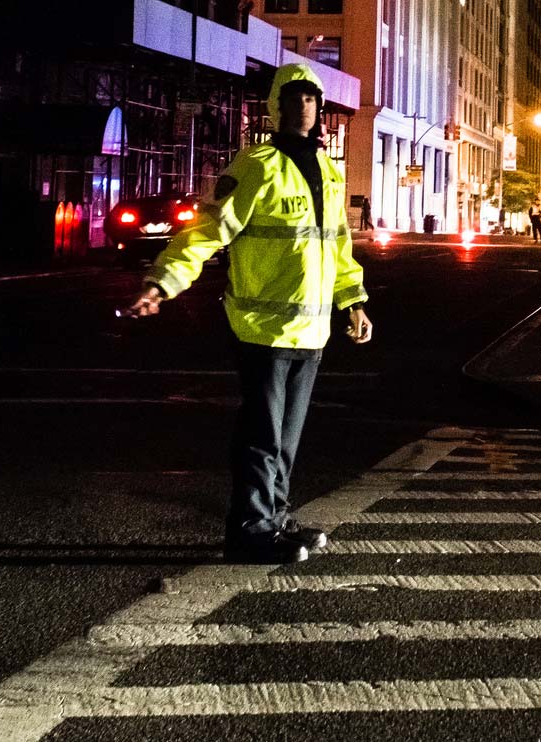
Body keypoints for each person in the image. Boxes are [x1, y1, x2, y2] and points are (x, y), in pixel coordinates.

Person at [122, 62, 373, 564]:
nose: (303, 105)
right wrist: (163, 282)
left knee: (286, 438)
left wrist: (354, 301)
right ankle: (250, 531)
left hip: (312, 331)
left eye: (310, 98)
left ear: (320, 108)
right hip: (262, 329)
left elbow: (337, 246)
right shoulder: (255, 165)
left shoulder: (328, 171)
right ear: (276, 107)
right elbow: (206, 231)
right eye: (293, 97)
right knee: (262, 437)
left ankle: (275, 521)